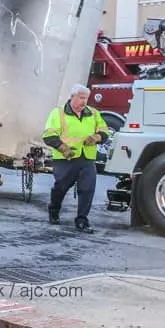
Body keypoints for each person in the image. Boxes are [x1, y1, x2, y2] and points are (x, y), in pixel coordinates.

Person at [42, 83, 110, 233]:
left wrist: (96, 137)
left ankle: (82, 220)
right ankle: (54, 210)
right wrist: (63, 148)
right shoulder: (58, 113)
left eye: (86, 98)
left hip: (87, 159)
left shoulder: (93, 113)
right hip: (65, 159)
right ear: (72, 97)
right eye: (81, 98)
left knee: (87, 189)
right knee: (61, 187)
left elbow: (105, 131)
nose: (84, 101)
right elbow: (48, 136)